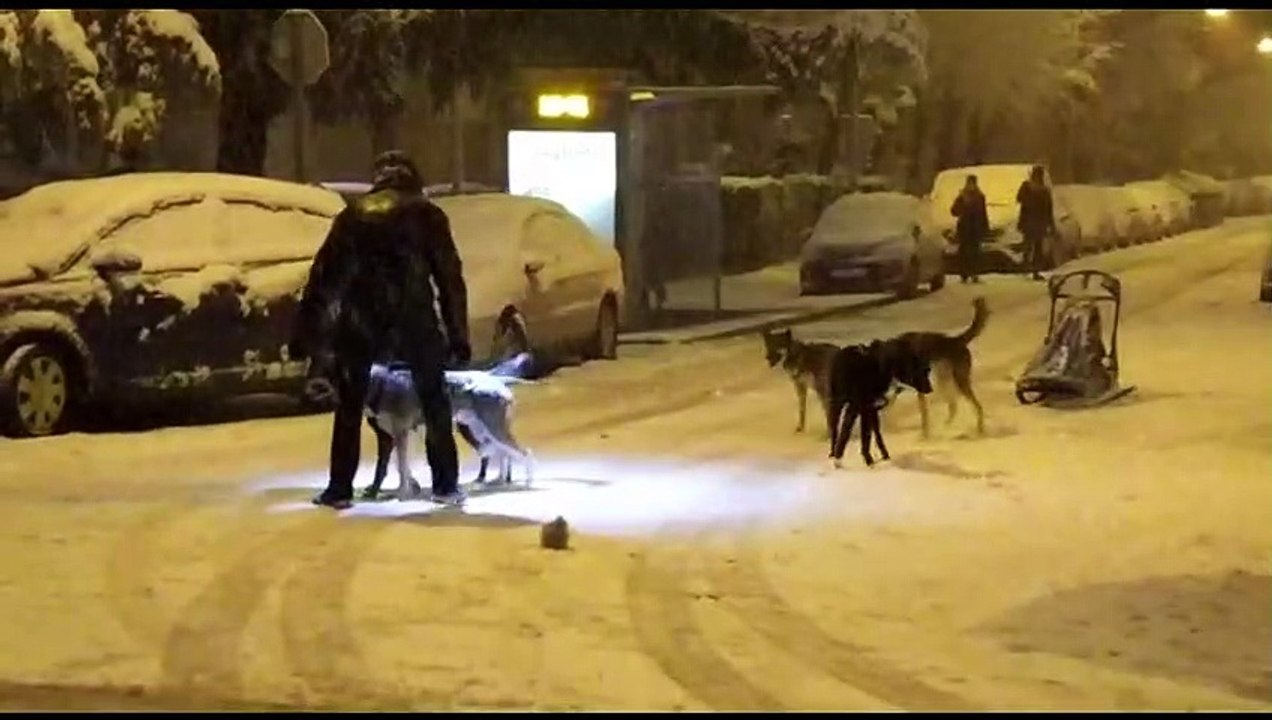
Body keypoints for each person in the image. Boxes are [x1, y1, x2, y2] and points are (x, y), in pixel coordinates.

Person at [290, 150, 472, 509]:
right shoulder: (428, 215)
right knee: (434, 401)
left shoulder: (352, 216)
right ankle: (445, 484)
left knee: (349, 406)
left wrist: (306, 334)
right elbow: (450, 280)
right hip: (414, 320)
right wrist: (457, 335)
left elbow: (324, 279)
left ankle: (339, 487)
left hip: (361, 321)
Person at [1016, 165, 1058, 281]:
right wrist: (1051, 225)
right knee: (1035, 248)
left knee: (1031, 246)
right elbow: (1048, 210)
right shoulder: (1039, 189)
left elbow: (1019, 199)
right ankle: (1032, 270)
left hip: (1031, 222)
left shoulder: (1033, 188)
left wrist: (1050, 224)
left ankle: (1028, 268)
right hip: (1037, 223)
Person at [950, 174, 989, 284]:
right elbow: (954, 211)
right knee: (964, 252)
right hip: (964, 228)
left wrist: (985, 227)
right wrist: (961, 203)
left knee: (975, 252)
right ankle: (964, 274)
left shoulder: (980, 196)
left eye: (973, 183)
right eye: (969, 183)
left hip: (975, 228)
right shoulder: (962, 196)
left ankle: (974, 273)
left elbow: (983, 213)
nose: (971, 186)